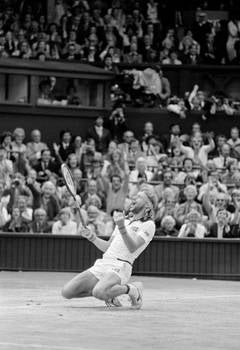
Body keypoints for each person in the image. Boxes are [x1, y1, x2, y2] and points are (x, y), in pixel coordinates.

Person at [61, 189, 156, 309]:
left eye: (139, 197)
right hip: (104, 262)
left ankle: (133, 289)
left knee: (98, 292)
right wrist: (92, 237)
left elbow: (132, 247)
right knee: (67, 292)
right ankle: (110, 293)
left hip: (121, 266)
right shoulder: (124, 220)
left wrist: (121, 227)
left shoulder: (149, 225)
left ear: (148, 205)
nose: (133, 198)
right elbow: (108, 247)